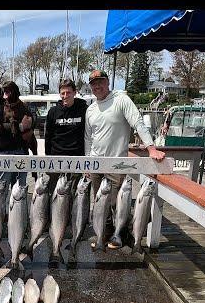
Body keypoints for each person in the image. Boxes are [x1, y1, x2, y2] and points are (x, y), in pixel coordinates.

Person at [84, 69, 165, 249]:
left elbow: (137, 123)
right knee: (99, 203)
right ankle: (103, 234)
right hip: (96, 162)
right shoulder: (90, 109)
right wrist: (87, 162)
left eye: (101, 82)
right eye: (93, 83)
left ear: (107, 83)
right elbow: (88, 138)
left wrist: (151, 148)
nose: (97, 86)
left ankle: (120, 235)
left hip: (117, 163)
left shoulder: (121, 100)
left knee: (116, 202)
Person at [45, 78, 87, 194]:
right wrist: (48, 158)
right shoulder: (53, 112)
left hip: (76, 159)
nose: (65, 96)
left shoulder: (83, 110)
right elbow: (48, 136)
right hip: (56, 158)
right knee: (54, 194)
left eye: (68, 92)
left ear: (74, 92)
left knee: (73, 194)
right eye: (62, 93)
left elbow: (88, 135)